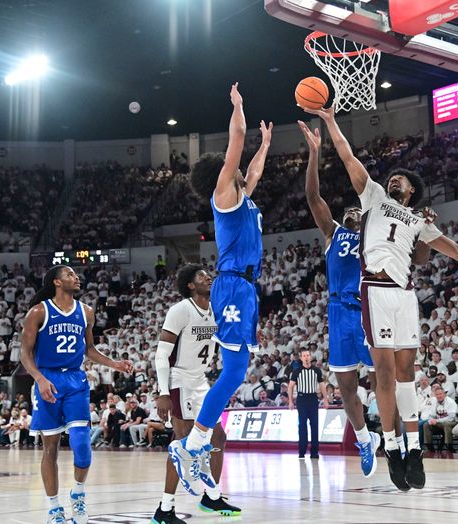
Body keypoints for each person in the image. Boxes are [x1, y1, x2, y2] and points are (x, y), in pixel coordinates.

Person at [302, 104, 458, 490]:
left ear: (412, 192)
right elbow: (347, 155)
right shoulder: (372, 196)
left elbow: (457, 252)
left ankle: (412, 447)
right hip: (374, 291)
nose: (393, 181)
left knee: (407, 376)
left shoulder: (420, 221)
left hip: (405, 295)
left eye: (400, 181)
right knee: (386, 377)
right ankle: (391, 446)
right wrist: (330, 121)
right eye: (391, 178)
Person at [298, 120, 432, 478]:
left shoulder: (382, 230)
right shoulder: (334, 233)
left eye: (358, 211)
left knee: (384, 381)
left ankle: (400, 442)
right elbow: (313, 198)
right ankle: (363, 438)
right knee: (346, 387)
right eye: (349, 213)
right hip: (341, 312)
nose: (352, 213)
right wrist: (313, 155)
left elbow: (415, 255)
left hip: (374, 305)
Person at [169, 83, 272, 497]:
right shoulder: (223, 195)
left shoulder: (244, 197)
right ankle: (192, 445)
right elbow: (235, 142)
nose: (240, 169)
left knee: (237, 370)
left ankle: (193, 444)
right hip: (230, 285)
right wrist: (239, 108)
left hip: (245, 289)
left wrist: (265, 145)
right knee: (232, 373)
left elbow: (255, 171)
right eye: (232, 167)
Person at [20, 265, 132, 524]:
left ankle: (78, 494)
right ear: (57, 282)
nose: (76, 277)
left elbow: (89, 349)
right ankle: (54, 508)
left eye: (75, 274)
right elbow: (24, 353)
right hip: (47, 379)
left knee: (82, 445)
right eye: (69, 274)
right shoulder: (39, 312)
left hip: (75, 379)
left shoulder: (86, 312)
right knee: (51, 447)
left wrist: (113, 363)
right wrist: (39, 379)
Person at [152, 265, 240, 524]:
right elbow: (161, 353)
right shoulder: (180, 310)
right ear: (190, 285)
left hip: (200, 380)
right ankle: (165, 508)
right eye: (201, 276)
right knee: (184, 444)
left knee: (218, 437)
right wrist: (163, 391)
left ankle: (211, 496)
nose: (208, 278)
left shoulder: (216, 310)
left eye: (208, 275)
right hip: (179, 379)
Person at [288, 349, 329, 459]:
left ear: (310, 357)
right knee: (302, 426)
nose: (306, 357)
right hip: (302, 399)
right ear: (301, 358)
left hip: (313, 398)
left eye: (308, 355)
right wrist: (290, 401)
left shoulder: (316, 371)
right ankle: (301, 451)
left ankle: (314, 452)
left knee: (314, 425)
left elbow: (322, 386)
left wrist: (325, 399)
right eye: (304, 356)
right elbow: (290, 386)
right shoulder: (296, 371)